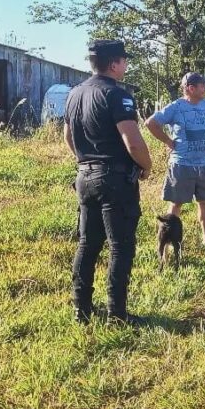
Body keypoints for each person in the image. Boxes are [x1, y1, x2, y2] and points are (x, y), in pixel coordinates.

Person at [64, 39, 152, 326]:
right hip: (114, 180)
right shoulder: (117, 95)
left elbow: (68, 138)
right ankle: (117, 313)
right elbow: (133, 142)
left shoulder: (74, 93)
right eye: (124, 60)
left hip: (84, 176)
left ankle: (82, 309)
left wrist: (87, 161)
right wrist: (146, 166)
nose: (126, 65)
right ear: (114, 63)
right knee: (120, 245)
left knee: (88, 243)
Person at [144, 72, 205, 250]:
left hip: (203, 163)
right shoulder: (176, 107)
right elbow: (150, 123)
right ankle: (170, 241)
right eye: (202, 85)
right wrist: (168, 141)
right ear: (190, 88)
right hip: (181, 164)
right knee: (176, 203)